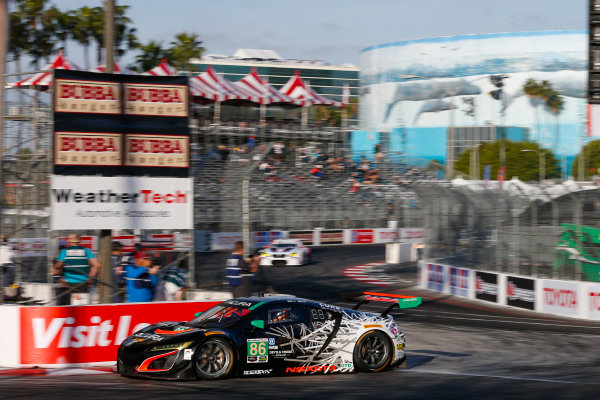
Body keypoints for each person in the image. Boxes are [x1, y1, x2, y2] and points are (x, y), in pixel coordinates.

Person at [52, 233, 99, 305]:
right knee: (82, 304)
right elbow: (96, 265)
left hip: (68, 282)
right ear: (79, 241)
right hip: (82, 281)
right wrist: (91, 277)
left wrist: (57, 272)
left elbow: (58, 266)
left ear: (69, 242)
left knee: (68, 305)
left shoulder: (64, 251)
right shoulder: (86, 250)